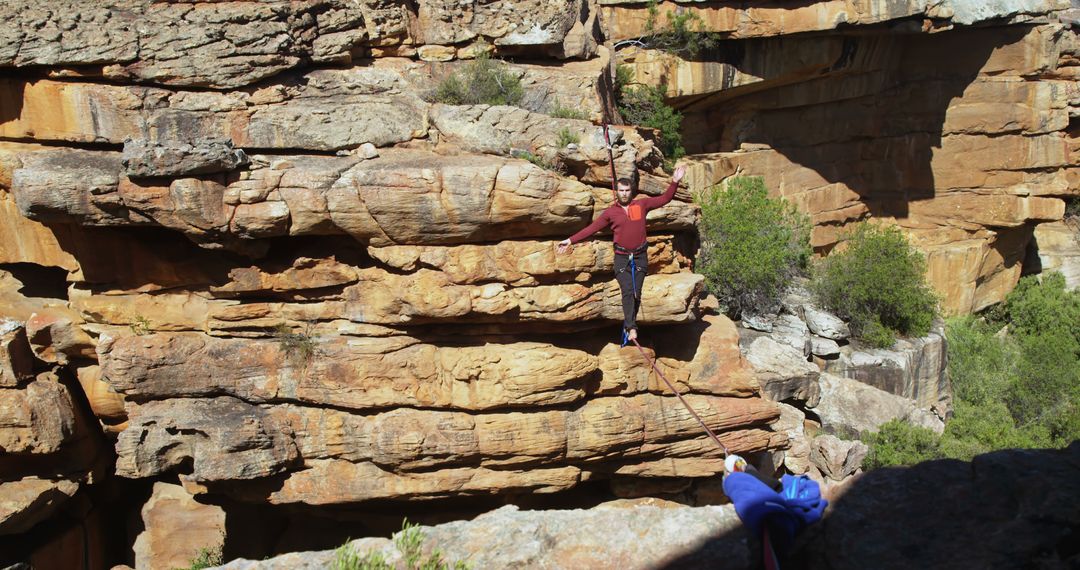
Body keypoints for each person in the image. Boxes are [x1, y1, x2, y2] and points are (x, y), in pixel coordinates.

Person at [557, 165, 687, 343]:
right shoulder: (611, 212)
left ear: (631, 191)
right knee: (627, 290)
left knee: (636, 293)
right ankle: (631, 328)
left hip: (640, 256)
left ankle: (629, 324)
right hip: (622, 257)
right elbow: (591, 229)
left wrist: (675, 181)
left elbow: (664, 199)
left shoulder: (641, 205)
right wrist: (570, 240)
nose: (624, 193)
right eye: (621, 190)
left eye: (627, 190)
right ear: (616, 192)